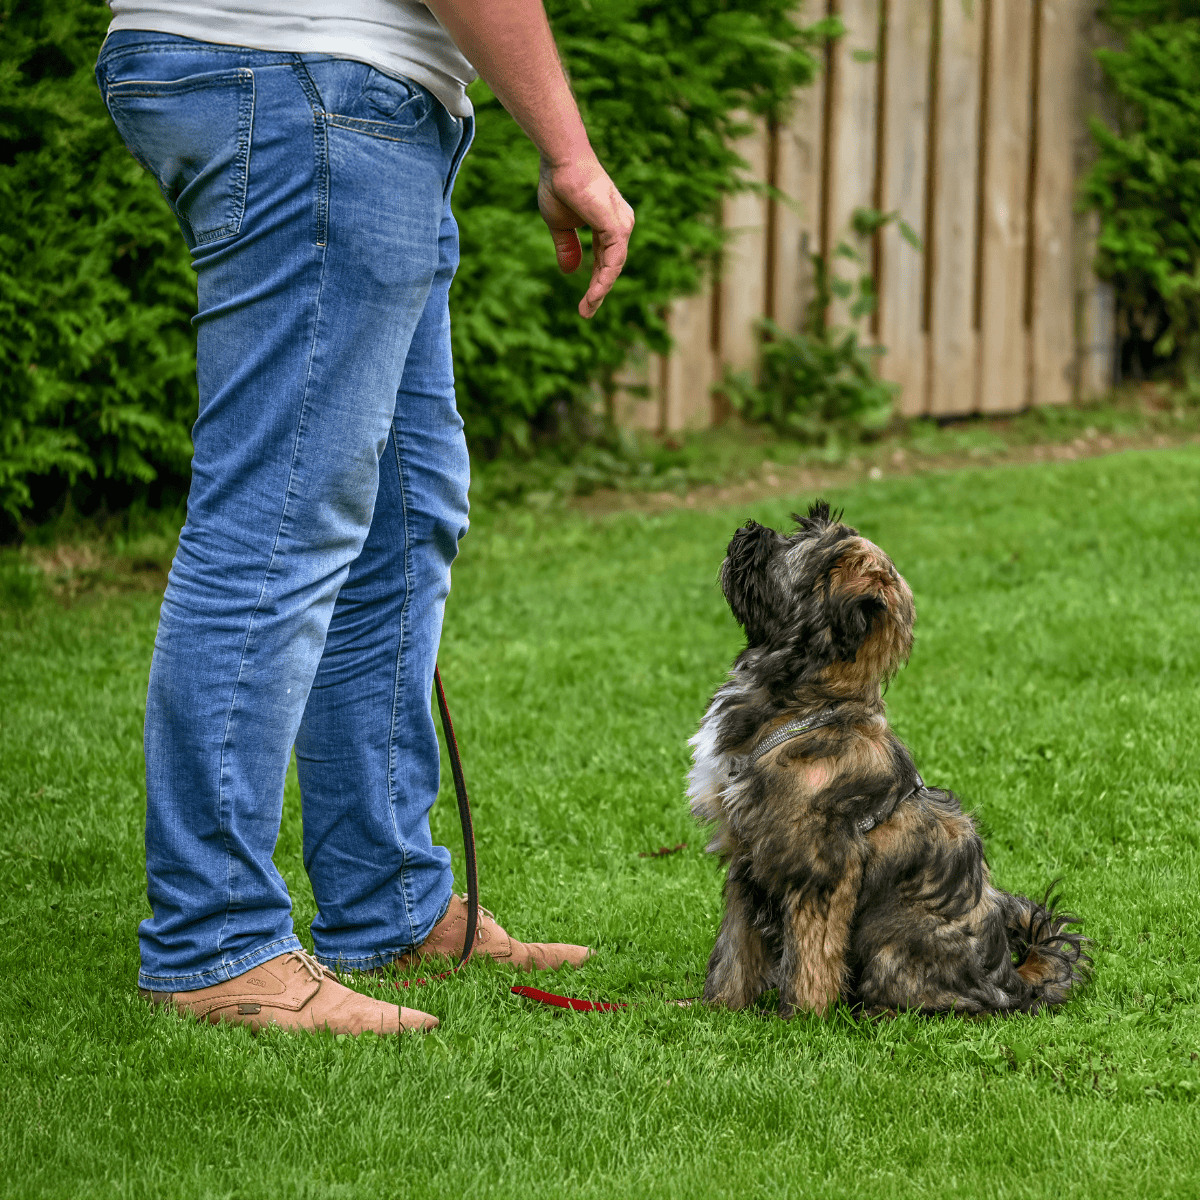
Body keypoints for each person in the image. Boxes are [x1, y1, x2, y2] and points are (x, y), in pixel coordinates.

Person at [95, 0, 634, 1035]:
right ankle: (215, 946)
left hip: (312, 82)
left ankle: (383, 899)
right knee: (277, 521)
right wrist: (569, 151)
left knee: (404, 504)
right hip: (310, 82)